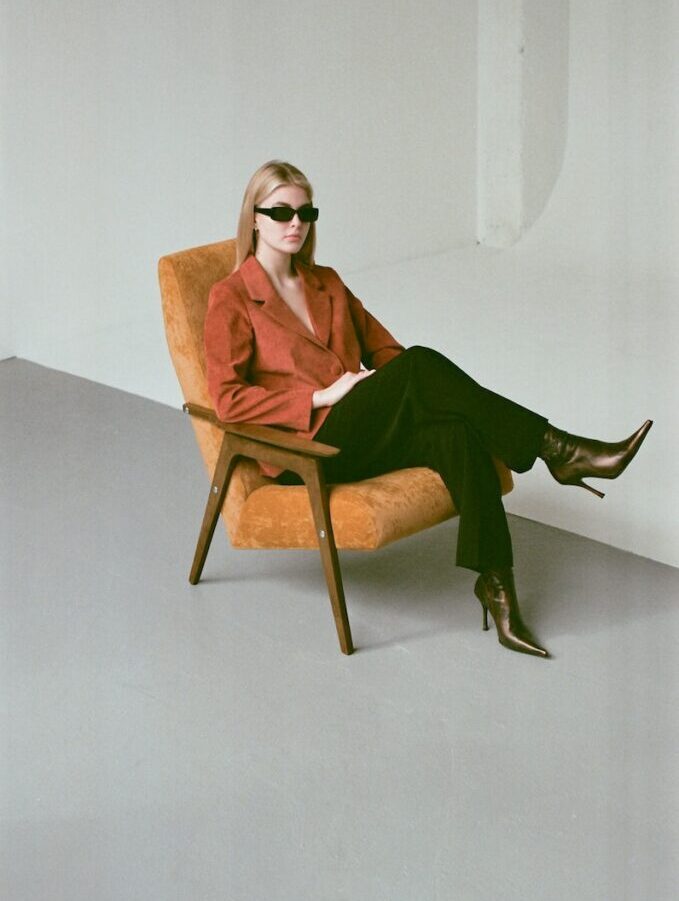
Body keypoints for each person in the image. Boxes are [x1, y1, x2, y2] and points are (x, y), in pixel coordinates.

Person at [204, 160, 653, 658]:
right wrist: (320, 396)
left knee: (455, 430)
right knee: (419, 364)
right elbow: (227, 399)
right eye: (281, 212)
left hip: (360, 432)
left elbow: (386, 353)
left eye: (306, 212)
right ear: (254, 218)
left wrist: (397, 397)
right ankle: (558, 450)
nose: (296, 223)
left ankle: (498, 589)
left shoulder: (325, 282)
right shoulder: (232, 298)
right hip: (305, 450)